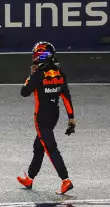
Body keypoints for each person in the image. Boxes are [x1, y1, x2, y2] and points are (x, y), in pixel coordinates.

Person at [17, 42, 76, 196]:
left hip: (41, 117)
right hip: (54, 115)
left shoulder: (38, 74)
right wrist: (71, 118)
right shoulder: (59, 72)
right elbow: (66, 96)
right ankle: (29, 178)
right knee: (38, 147)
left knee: (51, 149)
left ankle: (65, 180)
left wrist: (31, 75)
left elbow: (24, 92)